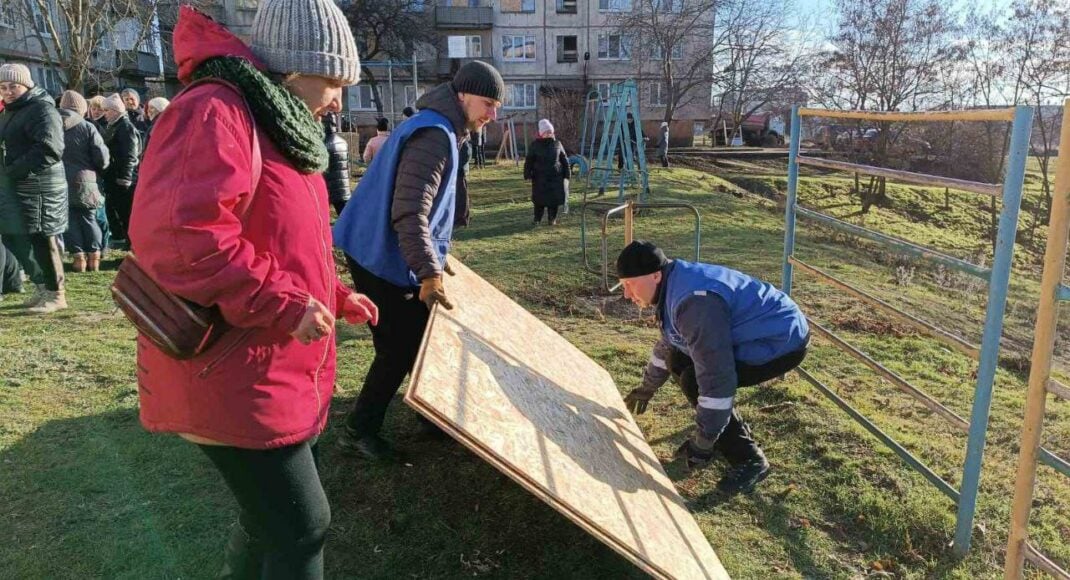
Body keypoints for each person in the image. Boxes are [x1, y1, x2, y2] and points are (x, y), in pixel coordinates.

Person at [127, 3, 375, 577]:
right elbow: (182, 237)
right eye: (335, 81)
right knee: (300, 528)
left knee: (268, 524)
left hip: (271, 366)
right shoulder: (216, 111)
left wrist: (334, 295)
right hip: (233, 366)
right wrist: (286, 305)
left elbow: (282, 241)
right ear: (293, 66)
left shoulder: (276, 120)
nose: (339, 99)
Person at [332, 60, 504, 461]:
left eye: (497, 106)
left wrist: (438, 256)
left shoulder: (442, 126)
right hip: (379, 253)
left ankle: (429, 411)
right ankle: (359, 431)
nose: (492, 115)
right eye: (487, 103)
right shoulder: (434, 135)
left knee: (420, 334)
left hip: (383, 246)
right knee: (399, 345)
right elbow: (410, 211)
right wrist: (427, 272)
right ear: (462, 96)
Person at [617, 240, 810, 495]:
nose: (627, 295)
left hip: (779, 340)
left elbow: (717, 378)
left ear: (655, 275)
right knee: (679, 361)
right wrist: (646, 388)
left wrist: (703, 442)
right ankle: (726, 435)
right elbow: (671, 341)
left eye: (630, 284)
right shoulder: (673, 285)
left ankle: (749, 460)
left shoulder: (694, 303)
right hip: (758, 329)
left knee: (696, 381)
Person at [0, 63, 69, 314]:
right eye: (3, 87)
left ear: (27, 85)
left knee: (42, 237)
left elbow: (50, 149)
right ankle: (42, 287)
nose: (8, 91)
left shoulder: (41, 109)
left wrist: (13, 169)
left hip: (41, 186)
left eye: (13, 86)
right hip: (15, 186)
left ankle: (56, 293)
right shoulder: (10, 112)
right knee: (13, 235)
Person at [58, 90, 109, 273]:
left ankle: (78, 258)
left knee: (69, 219)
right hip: (86, 179)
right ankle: (94, 258)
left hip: (59, 179)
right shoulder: (87, 127)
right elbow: (102, 157)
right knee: (89, 218)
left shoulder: (52, 124)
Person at [100, 93, 140, 248]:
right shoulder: (115, 126)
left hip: (123, 180)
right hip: (115, 177)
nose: (105, 114)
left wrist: (125, 178)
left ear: (115, 111)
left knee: (128, 215)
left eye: (107, 110)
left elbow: (129, 155)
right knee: (122, 215)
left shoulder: (125, 127)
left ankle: (133, 246)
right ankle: (129, 244)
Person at [523, 118, 570, 226]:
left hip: (555, 178)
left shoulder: (557, 144)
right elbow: (529, 160)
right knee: (539, 201)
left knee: (553, 201)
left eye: (550, 131)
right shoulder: (535, 145)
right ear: (541, 133)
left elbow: (564, 159)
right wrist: (527, 174)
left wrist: (567, 174)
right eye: (546, 132)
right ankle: (537, 219)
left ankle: (552, 219)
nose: (549, 133)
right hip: (540, 178)